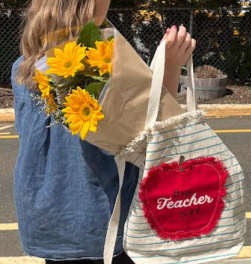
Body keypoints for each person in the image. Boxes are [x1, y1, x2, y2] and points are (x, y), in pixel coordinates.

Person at [11, 0, 196, 263]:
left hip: (47, 215)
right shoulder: (100, 66)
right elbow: (152, 136)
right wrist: (170, 66)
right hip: (100, 221)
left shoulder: (23, 67)